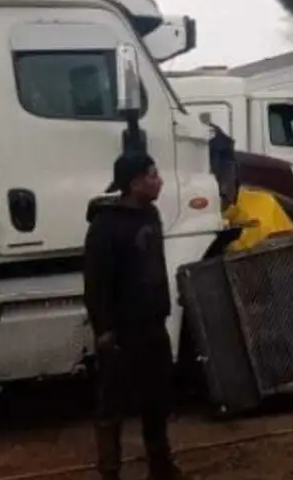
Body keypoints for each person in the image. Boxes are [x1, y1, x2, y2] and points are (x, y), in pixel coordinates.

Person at [83, 153, 181, 480]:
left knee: (157, 402)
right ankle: (109, 472)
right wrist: (105, 330)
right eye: (153, 175)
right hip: (123, 333)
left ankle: (161, 466)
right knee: (112, 407)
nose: (160, 180)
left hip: (153, 326)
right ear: (135, 182)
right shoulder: (104, 226)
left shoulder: (151, 215)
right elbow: (96, 283)